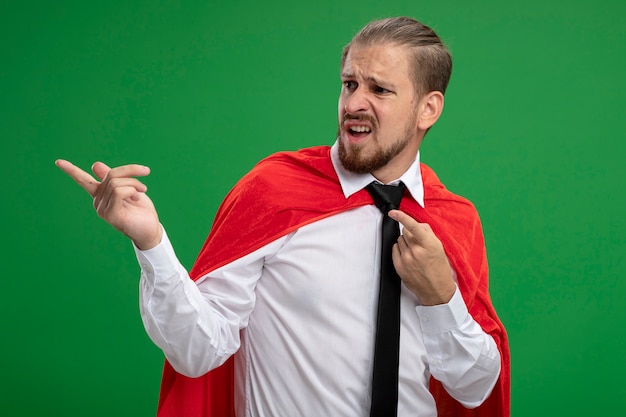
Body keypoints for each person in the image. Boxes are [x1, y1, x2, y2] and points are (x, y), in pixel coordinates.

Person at [57, 16, 510, 417]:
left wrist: (442, 298)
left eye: (379, 89)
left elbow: (474, 389)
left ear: (428, 109)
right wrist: (151, 242)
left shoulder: (453, 220)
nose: (354, 104)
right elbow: (197, 349)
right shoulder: (274, 190)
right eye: (349, 84)